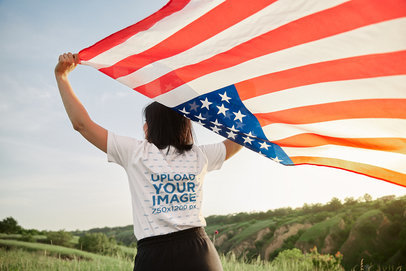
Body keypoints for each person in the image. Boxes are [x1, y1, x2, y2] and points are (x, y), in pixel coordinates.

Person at [55, 52, 243, 271]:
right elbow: (239, 139)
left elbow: (82, 125)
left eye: (146, 123)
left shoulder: (135, 152)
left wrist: (62, 77)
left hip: (155, 256)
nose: (143, 127)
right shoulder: (200, 155)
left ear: (152, 127)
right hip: (199, 253)